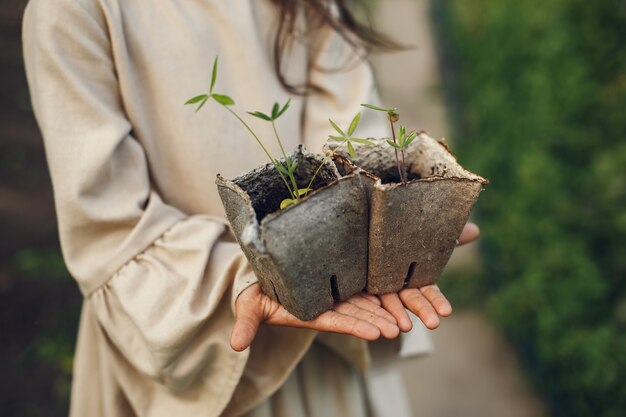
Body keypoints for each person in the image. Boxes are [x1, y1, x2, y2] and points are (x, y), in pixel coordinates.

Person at [23, 0, 480, 416]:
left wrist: (384, 218)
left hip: (328, 327)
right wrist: (248, 278)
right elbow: (111, 229)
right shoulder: (73, 11)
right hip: (198, 333)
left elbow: (349, 132)